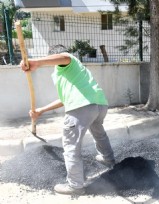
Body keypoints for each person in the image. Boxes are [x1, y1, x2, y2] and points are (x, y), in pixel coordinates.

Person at [20, 45, 115, 195]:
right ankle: (107, 158)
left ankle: (75, 186)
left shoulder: (68, 61)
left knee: (71, 145)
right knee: (98, 132)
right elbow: (64, 99)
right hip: (99, 104)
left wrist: (37, 62)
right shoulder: (71, 72)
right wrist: (41, 110)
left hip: (82, 107)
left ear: (53, 57)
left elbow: (65, 57)